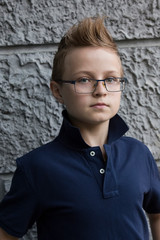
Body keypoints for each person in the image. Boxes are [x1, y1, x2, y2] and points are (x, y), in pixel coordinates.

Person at [0, 16, 160, 240]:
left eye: (111, 79)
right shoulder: (36, 168)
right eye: (84, 80)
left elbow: (157, 213)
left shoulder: (139, 154)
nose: (101, 90)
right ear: (57, 91)